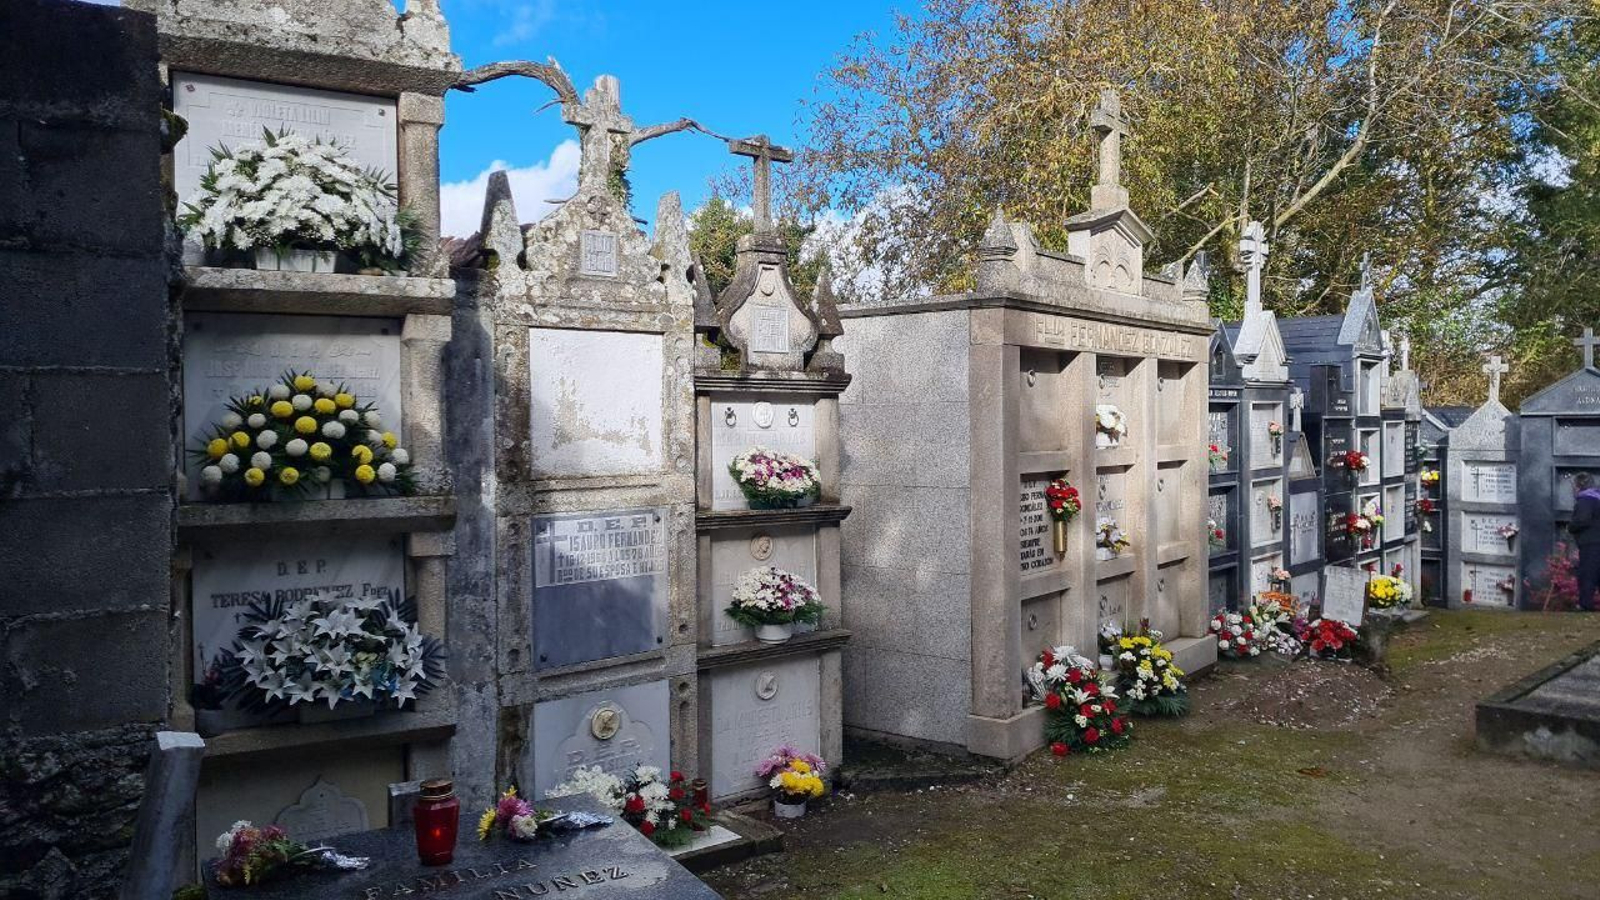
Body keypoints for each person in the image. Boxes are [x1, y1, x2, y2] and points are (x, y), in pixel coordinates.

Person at [1572, 472, 1600, 612]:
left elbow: (1582, 520)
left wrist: (1571, 527)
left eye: (1574, 486)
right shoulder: (1597, 498)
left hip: (1591, 543)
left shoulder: (1586, 500)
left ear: (1579, 486)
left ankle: (1585, 604)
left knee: (1587, 574)